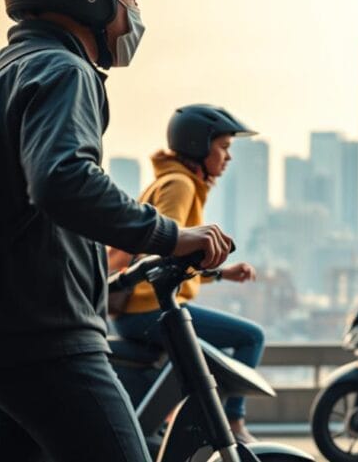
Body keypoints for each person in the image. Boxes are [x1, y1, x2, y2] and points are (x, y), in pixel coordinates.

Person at [0, 0, 232, 462]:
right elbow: (62, 180)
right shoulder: (63, 69)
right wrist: (171, 237)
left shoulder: (1, 69)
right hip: (48, 338)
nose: (136, 13)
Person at [111, 104, 264, 444]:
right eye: (223, 147)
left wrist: (222, 274)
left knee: (203, 362)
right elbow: (165, 251)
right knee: (251, 337)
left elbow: (176, 260)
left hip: (140, 308)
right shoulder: (180, 185)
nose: (228, 157)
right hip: (149, 309)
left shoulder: (171, 181)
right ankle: (234, 424)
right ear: (198, 145)